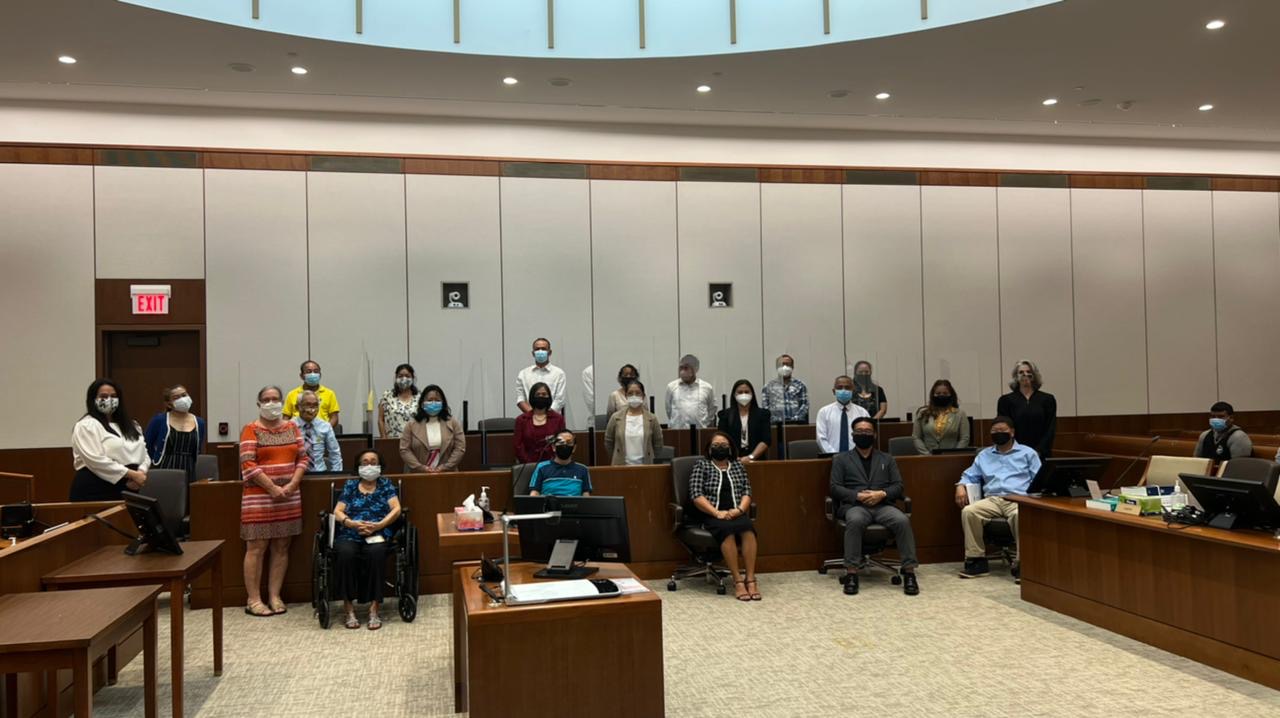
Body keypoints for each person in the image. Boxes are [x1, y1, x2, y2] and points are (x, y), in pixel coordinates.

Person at [240, 385, 309, 617]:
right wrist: (271, 488)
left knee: (282, 546)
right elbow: (248, 464)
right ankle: (254, 599)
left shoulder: (292, 427)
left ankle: (274, 596)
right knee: (256, 547)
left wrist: (292, 484)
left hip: (289, 496)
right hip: (259, 497)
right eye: (266, 399)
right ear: (259, 404)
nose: (272, 403)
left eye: (276, 399)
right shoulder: (251, 429)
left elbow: (303, 458)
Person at [830, 416, 919, 596]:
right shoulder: (841, 459)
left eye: (868, 431)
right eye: (860, 431)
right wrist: (858, 496)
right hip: (855, 506)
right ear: (853, 434)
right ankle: (852, 573)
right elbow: (834, 487)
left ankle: (909, 572)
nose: (864, 434)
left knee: (902, 520)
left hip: (883, 505)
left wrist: (882, 494)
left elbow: (898, 486)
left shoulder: (887, 458)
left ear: (875, 434)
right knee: (854, 521)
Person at [954, 417, 1041, 581]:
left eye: (1003, 431)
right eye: (995, 432)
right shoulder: (984, 455)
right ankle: (976, 561)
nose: (999, 434)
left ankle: (1023, 564)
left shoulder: (1028, 453)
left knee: (1019, 515)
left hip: (1019, 498)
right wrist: (960, 486)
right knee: (969, 511)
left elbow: (1039, 479)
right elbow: (969, 475)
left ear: (1012, 432)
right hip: (993, 499)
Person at [332, 449, 401, 630]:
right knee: (345, 553)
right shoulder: (350, 486)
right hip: (350, 533)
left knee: (377, 553)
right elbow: (337, 511)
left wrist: (379, 525)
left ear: (379, 466)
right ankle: (349, 609)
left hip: (378, 533)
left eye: (373, 462)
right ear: (358, 466)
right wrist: (351, 523)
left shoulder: (386, 485)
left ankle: (374, 609)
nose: (369, 465)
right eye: (365, 462)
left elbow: (396, 509)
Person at [688, 432, 760, 601]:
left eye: (724, 445)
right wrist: (716, 512)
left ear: (730, 449)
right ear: (709, 449)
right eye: (716, 446)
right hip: (710, 514)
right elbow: (696, 494)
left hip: (736, 512)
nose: (720, 448)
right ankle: (738, 581)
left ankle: (750, 579)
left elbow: (747, 491)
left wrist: (740, 510)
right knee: (727, 532)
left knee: (748, 530)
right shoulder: (702, 465)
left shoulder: (737, 466)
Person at [70, 378, 150, 501]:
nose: (109, 400)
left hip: (131, 485)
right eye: (103, 396)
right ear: (93, 399)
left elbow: (144, 454)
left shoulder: (132, 425)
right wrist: (132, 474)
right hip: (96, 488)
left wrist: (141, 473)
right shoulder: (86, 425)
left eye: (113, 396)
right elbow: (95, 460)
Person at [144, 384, 207, 482]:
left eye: (184, 395)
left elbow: (198, 449)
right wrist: (154, 463)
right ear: (169, 404)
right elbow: (146, 445)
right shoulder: (159, 420)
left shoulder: (200, 422)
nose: (182, 399)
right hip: (165, 469)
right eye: (176, 397)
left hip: (189, 469)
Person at [996, 360, 1056, 457]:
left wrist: (1039, 451)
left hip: (1041, 454)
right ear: (1016, 376)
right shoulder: (1005, 400)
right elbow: (1004, 428)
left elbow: (1050, 428)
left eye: (1029, 372)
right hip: (1014, 454)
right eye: (1021, 372)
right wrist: (1016, 450)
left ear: (1034, 375)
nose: (1025, 374)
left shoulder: (1047, 399)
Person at [399, 384, 467, 472]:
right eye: (430, 400)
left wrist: (446, 467)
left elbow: (460, 448)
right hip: (417, 474)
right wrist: (421, 468)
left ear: (443, 403)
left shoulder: (453, 423)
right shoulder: (411, 425)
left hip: (447, 473)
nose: (433, 403)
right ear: (422, 403)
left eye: (437, 400)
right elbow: (404, 450)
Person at [605, 380, 663, 465]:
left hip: (646, 466)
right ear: (626, 396)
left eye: (638, 393)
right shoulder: (615, 417)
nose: (634, 396)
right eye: (630, 393)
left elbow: (658, 444)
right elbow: (608, 442)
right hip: (621, 466)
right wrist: (617, 456)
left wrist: (650, 457)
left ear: (643, 396)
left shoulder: (652, 418)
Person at [716, 379, 772, 462]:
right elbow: (721, 439)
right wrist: (733, 457)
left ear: (752, 394)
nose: (743, 394)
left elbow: (766, 440)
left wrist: (751, 457)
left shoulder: (762, 414)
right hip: (732, 460)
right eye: (740, 392)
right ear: (734, 395)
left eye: (746, 392)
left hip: (757, 460)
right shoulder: (725, 415)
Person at [815, 376, 871, 454]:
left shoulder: (862, 412)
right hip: (831, 458)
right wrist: (834, 455)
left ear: (853, 390)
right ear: (834, 391)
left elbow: (867, 437)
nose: (843, 390)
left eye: (847, 388)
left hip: (857, 458)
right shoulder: (824, 412)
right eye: (840, 387)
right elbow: (821, 439)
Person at [911, 380, 969, 455]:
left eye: (945, 393)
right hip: (927, 458)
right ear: (933, 395)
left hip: (952, 458)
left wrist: (954, 454)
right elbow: (916, 437)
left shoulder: (960, 414)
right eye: (938, 393)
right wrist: (927, 454)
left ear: (951, 395)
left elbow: (964, 438)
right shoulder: (923, 413)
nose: (941, 396)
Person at [514, 382, 566, 464]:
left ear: (549, 397)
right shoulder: (521, 420)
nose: (541, 397)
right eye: (538, 394)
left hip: (552, 464)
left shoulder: (558, 419)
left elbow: (561, 443)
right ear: (532, 397)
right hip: (528, 465)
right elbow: (518, 446)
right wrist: (528, 463)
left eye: (544, 394)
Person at [528, 432, 592, 497]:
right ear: (553, 447)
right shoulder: (541, 467)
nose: (565, 445)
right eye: (561, 442)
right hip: (548, 506)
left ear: (574, 448)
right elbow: (534, 494)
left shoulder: (583, 470)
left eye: (569, 443)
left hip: (574, 506)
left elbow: (586, 497)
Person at [294, 390, 342, 472]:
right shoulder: (289, 426)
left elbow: (335, 454)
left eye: (315, 405)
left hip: (320, 473)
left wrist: (336, 476)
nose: (312, 409)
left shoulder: (325, 426)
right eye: (307, 405)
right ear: (298, 407)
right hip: (296, 475)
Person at [515, 338, 566, 413]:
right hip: (529, 418)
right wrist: (533, 415)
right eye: (537, 349)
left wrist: (545, 416)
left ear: (550, 352)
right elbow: (520, 399)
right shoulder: (523, 374)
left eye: (543, 349)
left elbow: (559, 400)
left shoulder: (559, 373)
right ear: (533, 353)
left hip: (552, 419)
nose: (540, 351)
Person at [665, 354, 716, 429]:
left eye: (686, 368)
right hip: (678, 432)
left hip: (699, 431)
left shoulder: (707, 387)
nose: (682, 371)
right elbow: (669, 410)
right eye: (681, 368)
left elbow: (712, 409)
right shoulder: (671, 387)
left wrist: (704, 422)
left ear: (695, 369)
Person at [283, 360, 340, 427]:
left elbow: (334, 418)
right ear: (301, 376)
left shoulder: (329, 393)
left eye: (316, 371)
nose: (313, 374)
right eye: (308, 371)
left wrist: (325, 431)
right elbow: (286, 418)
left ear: (320, 375)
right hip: (297, 433)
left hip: (322, 433)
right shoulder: (292, 394)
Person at [760, 354, 809, 424]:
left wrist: (795, 419)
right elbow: (765, 408)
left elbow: (805, 406)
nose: (785, 367)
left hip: (796, 424)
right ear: (777, 367)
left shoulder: (800, 385)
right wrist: (776, 420)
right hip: (775, 425)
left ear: (792, 367)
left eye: (788, 365)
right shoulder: (768, 386)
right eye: (782, 364)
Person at [378, 363, 419, 439]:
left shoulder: (420, 397)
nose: (404, 379)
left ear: (413, 378)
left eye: (407, 376)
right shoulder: (387, 396)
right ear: (396, 378)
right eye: (400, 376)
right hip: (392, 441)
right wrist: (383, 438)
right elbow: (381, 419)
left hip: (414, 441)